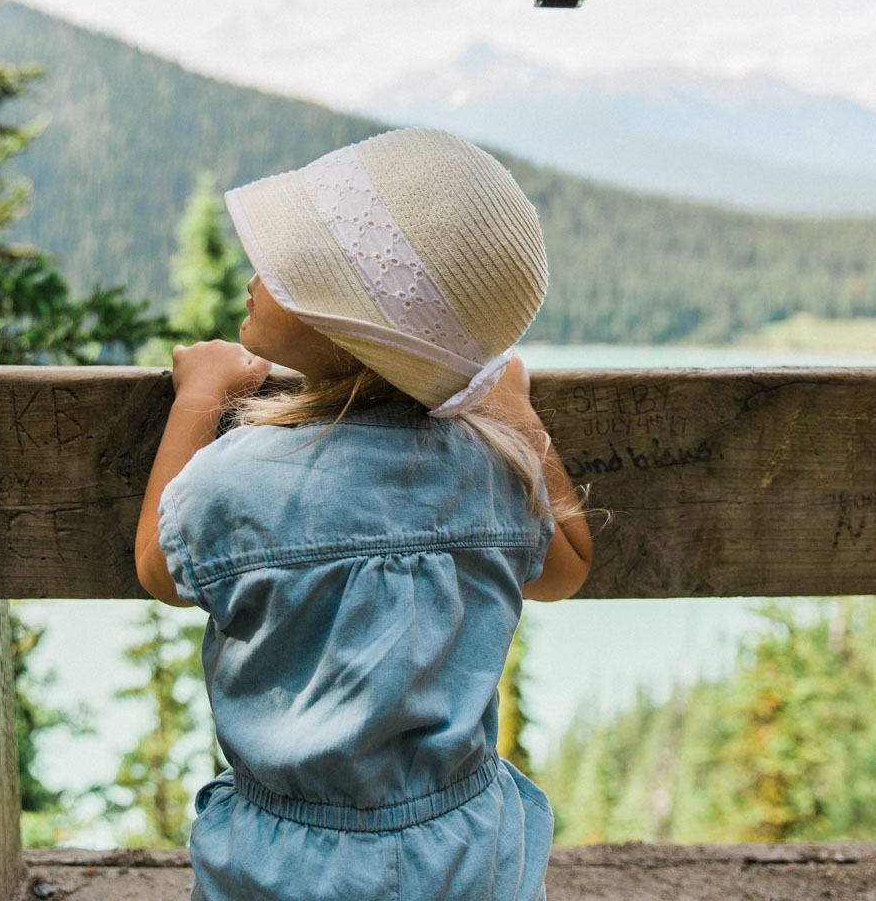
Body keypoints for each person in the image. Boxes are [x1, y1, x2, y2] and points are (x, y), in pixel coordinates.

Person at [133, 127, 594, 900]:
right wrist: (518, 418)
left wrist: (200, 395)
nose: (253, 277)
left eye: (280, 270)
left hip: (286, 864)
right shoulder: (485, 469)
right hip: (464, 851)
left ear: (335, 323)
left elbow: (160, 567)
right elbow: (566, 569)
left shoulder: (243, 477)